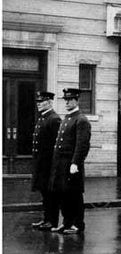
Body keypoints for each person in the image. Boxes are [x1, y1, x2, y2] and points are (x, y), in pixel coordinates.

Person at [49, 88, 91, 234]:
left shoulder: (81, 120)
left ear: (77, 100)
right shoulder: (68, 118)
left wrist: (75, 163)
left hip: (71, 164)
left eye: (70, 99)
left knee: (74, 195)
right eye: (65, 100)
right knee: (63, 195)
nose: (67, 102)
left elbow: (82, 145)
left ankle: (77, 224)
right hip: (61, 164)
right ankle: (67, 222)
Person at [31, 91, 62, 231]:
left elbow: (56, 145)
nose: (38, 104)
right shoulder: (43, 118)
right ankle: (46, 219)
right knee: (44, 192)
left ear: (49, 102)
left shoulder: (54, 119)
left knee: (51, 194)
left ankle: (52, 221)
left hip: (49, 164)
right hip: (41, 163)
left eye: (41, 102)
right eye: (38, 102)